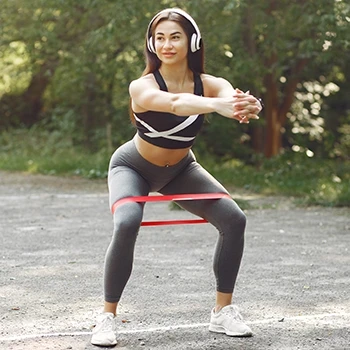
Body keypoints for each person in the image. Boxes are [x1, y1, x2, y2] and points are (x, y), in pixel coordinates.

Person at [91, 8, 262, 347]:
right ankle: (106, 316)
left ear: (192, 42)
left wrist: (246, 104)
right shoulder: (141, 86)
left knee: (234, 220)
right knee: (126, 223)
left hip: (182, 169)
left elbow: (231, 98)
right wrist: (216, 106)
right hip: (133, 167)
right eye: (160, 38)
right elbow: (175, 103)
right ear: (151, 45)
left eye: (175, 36)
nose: (166, 44)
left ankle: (222, 312)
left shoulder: (210, 83)